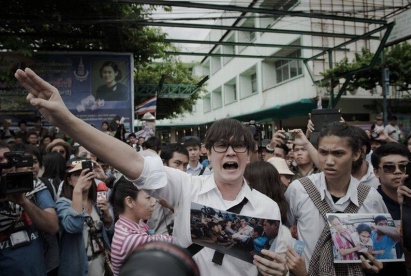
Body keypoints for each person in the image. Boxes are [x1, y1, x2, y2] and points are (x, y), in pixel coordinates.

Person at [16, 68, 285, 276]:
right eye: (221, 145)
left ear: (248, 155)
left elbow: (274, 265)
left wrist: (279, 269)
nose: (229, 152)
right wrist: (67, 119)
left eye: (238, 146)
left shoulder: (269, 209)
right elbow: (132, 162)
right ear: (208, 153)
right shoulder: (185, 188)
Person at [285, 122, 388, 275]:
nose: (329, 161)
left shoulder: (371, 198)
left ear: (356, 154)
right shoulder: (299, 190)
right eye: (323, 152)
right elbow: (286, 230)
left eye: (338, 153)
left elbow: (382, 251)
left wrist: (375, 266)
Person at [0, 142, 59, 276]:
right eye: (0, 160)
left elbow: (52, 227)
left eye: (7, 158)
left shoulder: (34, 186)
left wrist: (23, 201)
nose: (5, 164)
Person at [56, 158, 113, 276]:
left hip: (100, 267)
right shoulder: (63, 203)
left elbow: (109, 233)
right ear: (69, 180)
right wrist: (77, 191)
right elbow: (73, 226)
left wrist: (107, 218)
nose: (83, 178)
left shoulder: (96, 202)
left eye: (86, 174)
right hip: (78, 270)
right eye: (77, 175)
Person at [110, 177, 174, 276]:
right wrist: (173, 207)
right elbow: (175, 242)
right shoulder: (129, 239)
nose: (154, 202)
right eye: (148, 197)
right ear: (130, 201)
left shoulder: (126, 224)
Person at [147, 143, 189, 235]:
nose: (182, 170)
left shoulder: (189, 190)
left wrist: (171, 207)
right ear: (163, 163)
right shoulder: (147, 191)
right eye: (177, 163)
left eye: (185, 165)